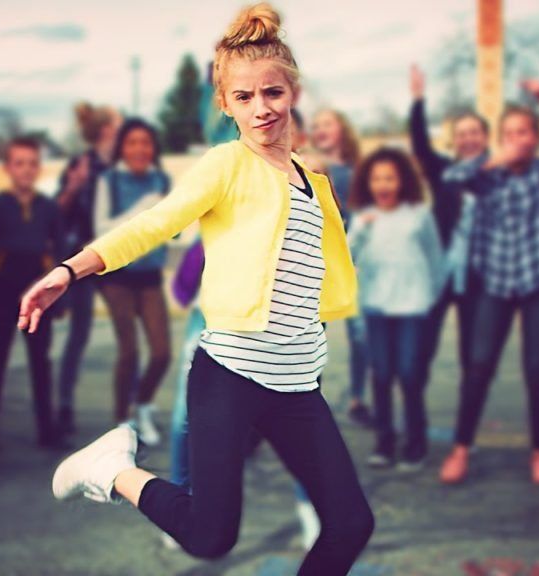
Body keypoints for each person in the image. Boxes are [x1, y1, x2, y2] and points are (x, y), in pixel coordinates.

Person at [21, 6, 374, 574]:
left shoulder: (316, 181)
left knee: (351, 523)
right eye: (244, 97)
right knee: (211, 536)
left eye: (273, 92)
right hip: (232, 374)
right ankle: (112, 470)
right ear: (225, 104)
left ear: (294, 92)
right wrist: (69, 270)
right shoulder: (227, 165)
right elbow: (153, 224)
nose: (261, 108)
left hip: (296, 383)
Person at [436, 80, 539, 485]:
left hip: (536, 281)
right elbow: (453, 177)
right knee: (479, 365)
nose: (516, 140)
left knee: (538, 370)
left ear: (535, 138)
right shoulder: (487, 175)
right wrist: (495, 160)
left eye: (523, 133)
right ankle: (461, 448)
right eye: (509, 134)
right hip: (494, 281)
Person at [348, 147, 447, 470]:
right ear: (368, 183)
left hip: (412, 308)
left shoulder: (418, 215)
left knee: (409, 374)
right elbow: (346, 257)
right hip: (376, 306)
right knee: (381, 375)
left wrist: (430, 298)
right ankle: (385, 442)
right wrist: (359, 230)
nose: (383, 184)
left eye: (390, 178)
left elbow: (435, 259)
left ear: (402, 181)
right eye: (377, 178)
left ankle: (416, 442)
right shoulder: (363, 218)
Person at [408, 64, 488, 443]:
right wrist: (418, 101)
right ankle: (415, 429)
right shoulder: (443, 171)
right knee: (420, 353)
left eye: (474, 133)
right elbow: (420, 146)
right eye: (462, 134)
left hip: (478, 280)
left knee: (473, 360)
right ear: (454, 141)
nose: (468, 139)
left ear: (485, 138)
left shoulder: (497, 173)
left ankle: (463, 437)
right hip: (438, 275)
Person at [0, 137, 66, 452]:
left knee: (40, 362)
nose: (26, 170)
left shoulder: (49, 208)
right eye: (19, 163)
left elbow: (60, 252)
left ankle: (47, 430)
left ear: (39, 168)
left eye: (32, 163)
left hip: (38, 291)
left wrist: (59, 296)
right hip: (3, 290)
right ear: (7, 168)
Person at [91, 119, 172, 444]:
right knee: (129, 351)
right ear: (122, 148)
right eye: (132, 142)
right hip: (117, 277)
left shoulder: (161, 180)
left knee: (162, 352)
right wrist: (143, 208)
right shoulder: (108, 181)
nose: (140, 149)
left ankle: (142, 405)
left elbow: (169, 226)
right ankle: (122, 421)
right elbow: (101, 229)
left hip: (150, 275)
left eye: (146, 142)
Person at [53, 102, 123, 435]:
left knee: (127, 337)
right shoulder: (81, 165)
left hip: (115, 261)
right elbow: (57, 212)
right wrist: (73, 186)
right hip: (84, 260)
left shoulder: (123, 166)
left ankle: (128, 411)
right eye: (118, 124)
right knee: (78, 336)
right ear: (107, 130)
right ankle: (64, 405)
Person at [310, 107, 371, 427]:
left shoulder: (359, 170)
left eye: (327, 124)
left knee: (360, 336)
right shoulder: (305, 165)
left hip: (354, 261)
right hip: (319, 263)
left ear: (342, 129)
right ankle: (306, 397)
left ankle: (358, 398)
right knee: (312, 334)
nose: (321, 129)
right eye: (316, 125)